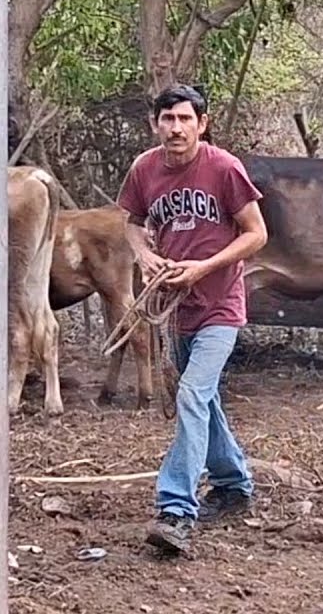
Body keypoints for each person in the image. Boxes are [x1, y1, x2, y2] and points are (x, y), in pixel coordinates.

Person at [115, 83, 269, 555]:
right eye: (167, 119)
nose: (175, 127)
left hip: (221, 306)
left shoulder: (223, 168)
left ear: (202, 124)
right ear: (155, 124)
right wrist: (143, 256)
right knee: (203, 400)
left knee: (192, 394)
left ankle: (176, 510)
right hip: (178, 309)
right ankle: (234, 484)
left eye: (185, 119)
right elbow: (132, 223)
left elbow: (256, 233)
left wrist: (203, 267)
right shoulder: (145, 169)